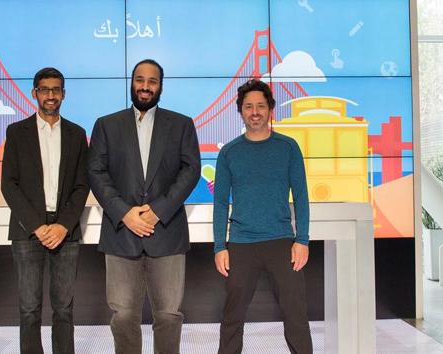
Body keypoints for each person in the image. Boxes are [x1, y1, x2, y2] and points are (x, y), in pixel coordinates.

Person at [87, 59, 201, 354]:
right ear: (132, 82)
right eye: (140, 79)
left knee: (169, 315)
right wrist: (125, 213)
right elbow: (96, 173)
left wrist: (157, 211)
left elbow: (190, 171)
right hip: (121, 234)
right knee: (123, 316)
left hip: (167, 232)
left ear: (160, 86)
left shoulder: (182, 124)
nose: (145, 86)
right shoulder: (106, 125)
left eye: (152, 81)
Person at [213, 79, 312, 354]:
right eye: (248, 107)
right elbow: (221, 203)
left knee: (296, 316)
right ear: (240, 112)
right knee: (232, 318)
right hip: (241, 244)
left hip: (282, 242)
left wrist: (302, 239)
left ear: (270, 109)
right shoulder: (228, 153)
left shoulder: (288, 147)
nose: (254, 111)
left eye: (260, 105)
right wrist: (220, 246)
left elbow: (301, 197)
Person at [1, 67, 89, 354]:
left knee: (64, 309)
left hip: (66, 231)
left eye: (56, 90)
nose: (50, 95)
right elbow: (9, 185)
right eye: (45, 89)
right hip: (29, 231)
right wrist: (38, 226)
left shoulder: (77, 134)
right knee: (29, 309)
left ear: (63, 94)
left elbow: (81, 185)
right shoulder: (16, 132)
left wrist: (62, 225)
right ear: (34, 94)